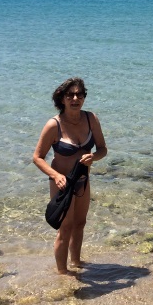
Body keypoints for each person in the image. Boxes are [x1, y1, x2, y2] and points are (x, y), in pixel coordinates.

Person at [33, 77, 107, 274]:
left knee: (80, 223)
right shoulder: (54, 125)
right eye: (70, 95)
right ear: (62, 98)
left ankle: (76, 263)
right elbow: (37, 157)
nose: (75, 99)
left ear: (84, 97)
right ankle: (62, 273)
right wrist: (56, 176)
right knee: (65, 228)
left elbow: (102, 149)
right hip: (62, 183)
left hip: (83, 180)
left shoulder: (91, 119)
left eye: (79, 95)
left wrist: (94, 157)